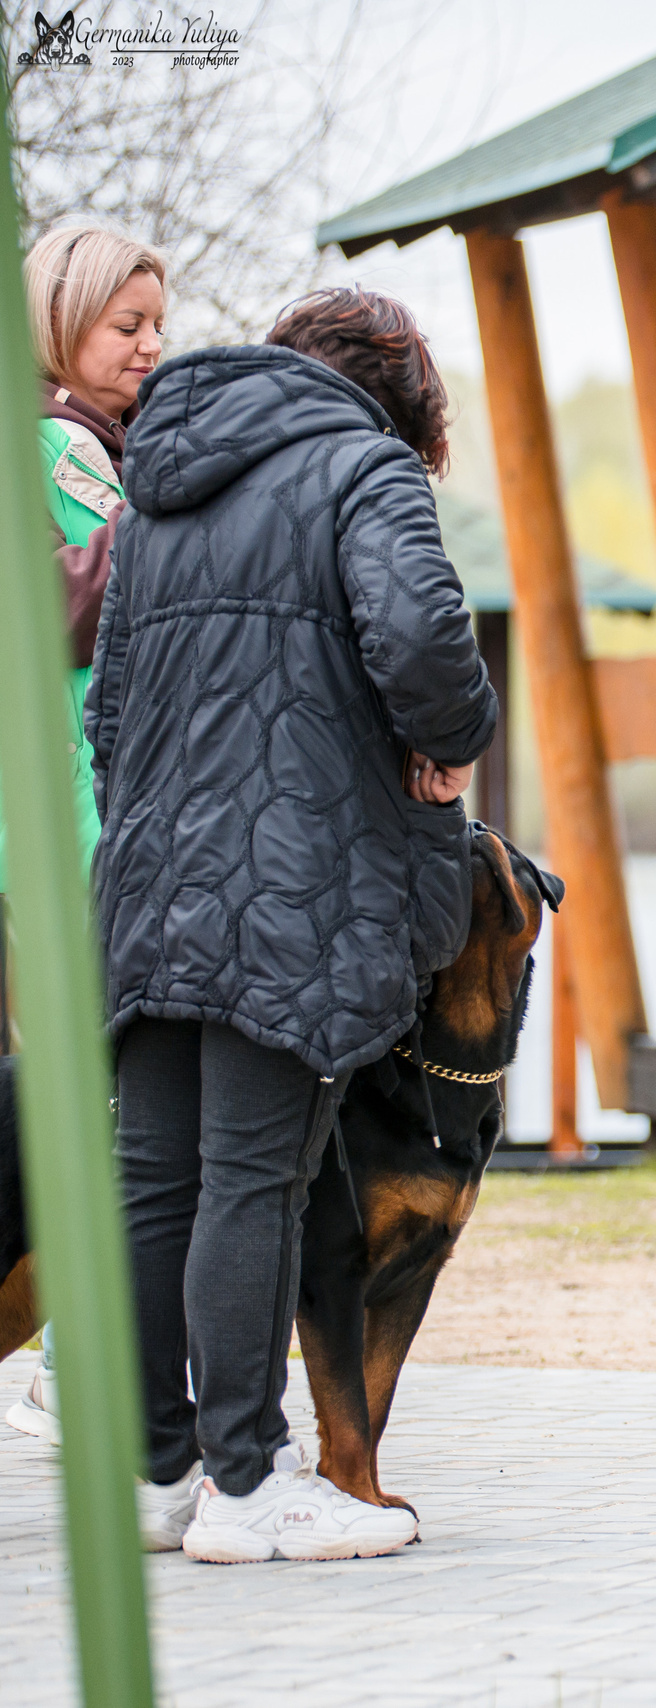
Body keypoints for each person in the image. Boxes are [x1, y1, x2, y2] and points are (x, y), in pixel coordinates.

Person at [86, 288, 497, 1562]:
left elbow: (107, 704)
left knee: (156, 1176)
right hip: (297, 877)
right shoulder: (364, 470)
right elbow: (426, 638)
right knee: (255, 1176)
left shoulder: (159, 485)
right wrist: (449, 742)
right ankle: (251, 1486)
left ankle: (161, 1473)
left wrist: (150, 818)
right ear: (397, 392)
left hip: (150, 869)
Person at [2, 223, 168, 1446]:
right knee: (103, 1095)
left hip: (60, 823)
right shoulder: (67, 445)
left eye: (160, 324)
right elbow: (79, 602)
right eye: (129, 327)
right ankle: (75, 1355)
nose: (154, 348)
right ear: (65, 325)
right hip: (74, 824)